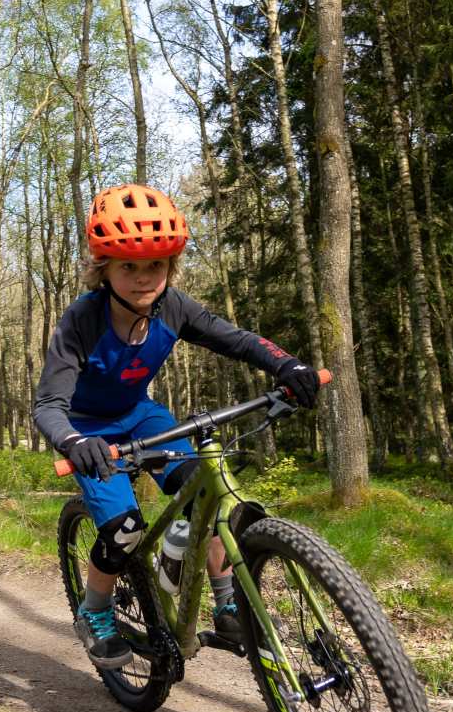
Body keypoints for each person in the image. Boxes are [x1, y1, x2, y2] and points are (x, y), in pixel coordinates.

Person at [34, 183, 321, 668]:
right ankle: (95, 610)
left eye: (156, 266)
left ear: (171, 266)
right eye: (128, 266)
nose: (144, 278)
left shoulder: (174, 308)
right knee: (124, 530)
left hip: (142, 416)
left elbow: (238, 340)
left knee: (207, 494)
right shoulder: (82, 320)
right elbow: (48, 404)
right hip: (90, 431)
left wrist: (287, 366)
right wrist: (73, 441)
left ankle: (228, 604)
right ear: (102, 268)